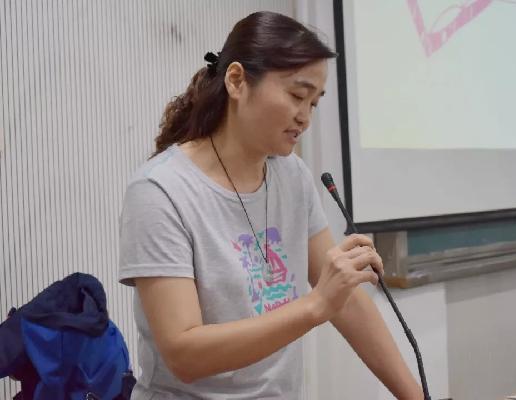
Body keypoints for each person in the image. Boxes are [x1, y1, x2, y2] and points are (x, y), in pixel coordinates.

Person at [118, 11, 423, 400]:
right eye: (297, 95)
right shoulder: (160, 190)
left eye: (314, 103)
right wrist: (315, 305)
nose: (304, 117)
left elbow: (347, 304)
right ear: (236, 81)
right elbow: (184, 354)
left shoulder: (292, 176)